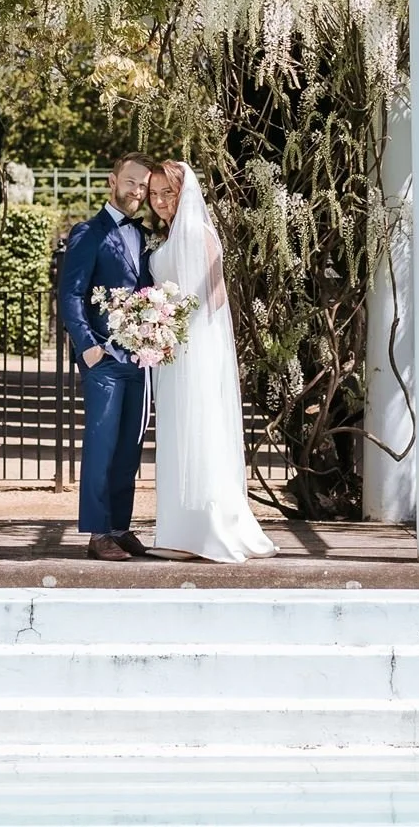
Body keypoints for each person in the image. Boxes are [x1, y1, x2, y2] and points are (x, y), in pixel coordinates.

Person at [145, 160, 276, 563]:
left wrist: (176, 325)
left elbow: (215, 296)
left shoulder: (198, 233)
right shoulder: (168, 236)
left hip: (192, 348)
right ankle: (181, 530)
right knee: (177, 434)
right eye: (154, 194)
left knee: (198, 432)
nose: (160, 201)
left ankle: (205, 532)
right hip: (170, 351)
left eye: (168, 192)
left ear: (184, 193)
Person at [58, 151, 157, 561]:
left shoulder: (146, 235)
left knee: (130, 447)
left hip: (140, 358)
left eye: (143, 186)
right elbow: (70, 294)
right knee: (101, 445)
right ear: (112, 181)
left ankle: (119, 527)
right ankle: (98, 533)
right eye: (131, 181)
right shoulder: (88, 232)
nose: (137, 191)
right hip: (104, 358)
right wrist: (89, 348)